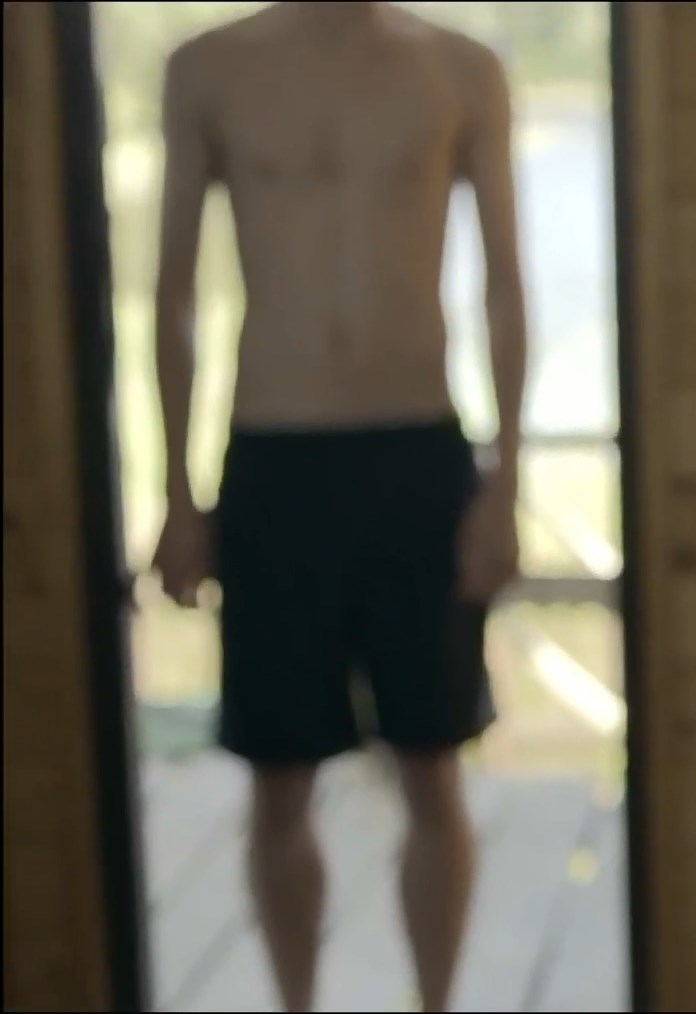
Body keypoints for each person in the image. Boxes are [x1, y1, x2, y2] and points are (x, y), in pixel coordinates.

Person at [147, 3, 525, 1011]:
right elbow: (173, 296)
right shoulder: (210, 70)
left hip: (417, 449)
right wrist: (177, 494)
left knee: (432, 766)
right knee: (278, 777)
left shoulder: (460, 70)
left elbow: (505, 286)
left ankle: (435, 1003)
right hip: (276, 452)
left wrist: (506, 487)